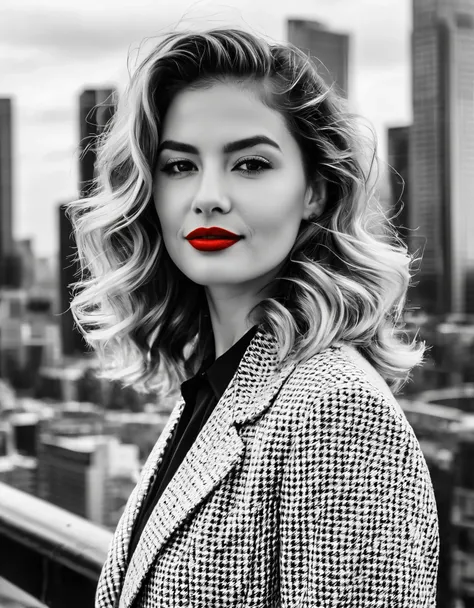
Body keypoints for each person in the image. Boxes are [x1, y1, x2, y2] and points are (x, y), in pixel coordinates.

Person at [67, 27, 439, 608]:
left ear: (314, 190)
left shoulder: (336, 413)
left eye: (250, 164)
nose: (209, 196)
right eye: (179, 166)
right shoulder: (224, 383)